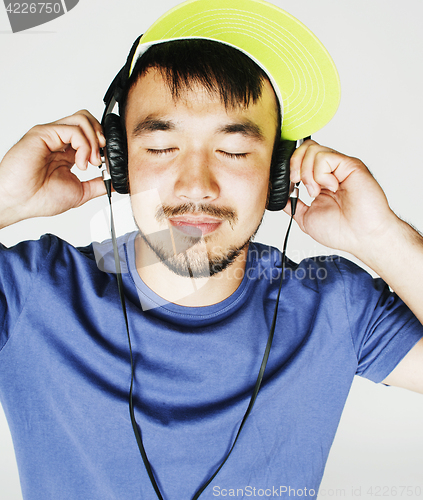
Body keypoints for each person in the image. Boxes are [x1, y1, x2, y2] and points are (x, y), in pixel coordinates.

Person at [0, 0, 422, 499]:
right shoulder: (29, 289)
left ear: (278, 173)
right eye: (160, 148)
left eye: (236, 151)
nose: (196, 185)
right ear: (118, 162)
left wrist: (383, 237)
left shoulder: (335, 305)